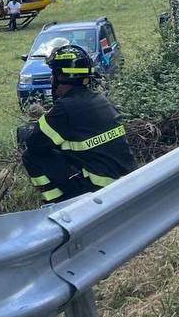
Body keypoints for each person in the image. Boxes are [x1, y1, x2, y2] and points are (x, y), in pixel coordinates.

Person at [17, 45, 136, 204]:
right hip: (129, 180)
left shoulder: (65, 109)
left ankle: (60, 204)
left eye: (53, 74)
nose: (51, 79)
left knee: (31, 156)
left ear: (61, 77)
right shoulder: (100, 99)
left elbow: (34, 143)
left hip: (100, 187)